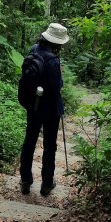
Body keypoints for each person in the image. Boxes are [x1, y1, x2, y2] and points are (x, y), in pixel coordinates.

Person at [19, 22, 69, 197]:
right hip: (50, 109)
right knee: (49, 145)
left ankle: (25, 179)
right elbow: (57, 86)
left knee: (30, 140)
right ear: (58, 42)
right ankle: (47, 183)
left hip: (33, 105)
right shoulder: (53, 60)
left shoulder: (34, 49)